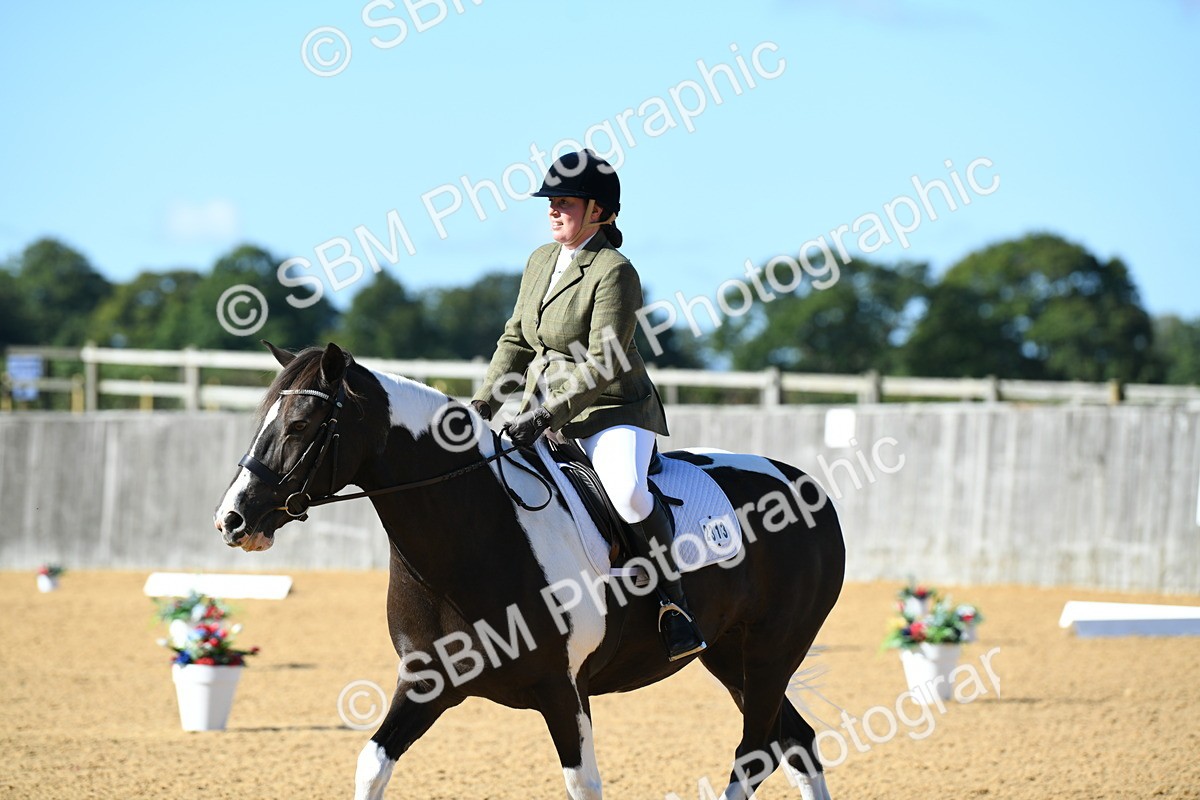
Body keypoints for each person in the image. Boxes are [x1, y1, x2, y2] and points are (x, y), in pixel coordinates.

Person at [470, 150, 706, 662]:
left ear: (601, 211)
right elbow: (516, 340)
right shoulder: (539, 261)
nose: (553, 210)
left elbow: (603, 362)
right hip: (541, 407)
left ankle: (674, 603)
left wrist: (545, 416)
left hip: (612, 411)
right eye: (550, 202)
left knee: (625, 493)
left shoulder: (615, 271)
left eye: (565, 203)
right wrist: (485, 402)